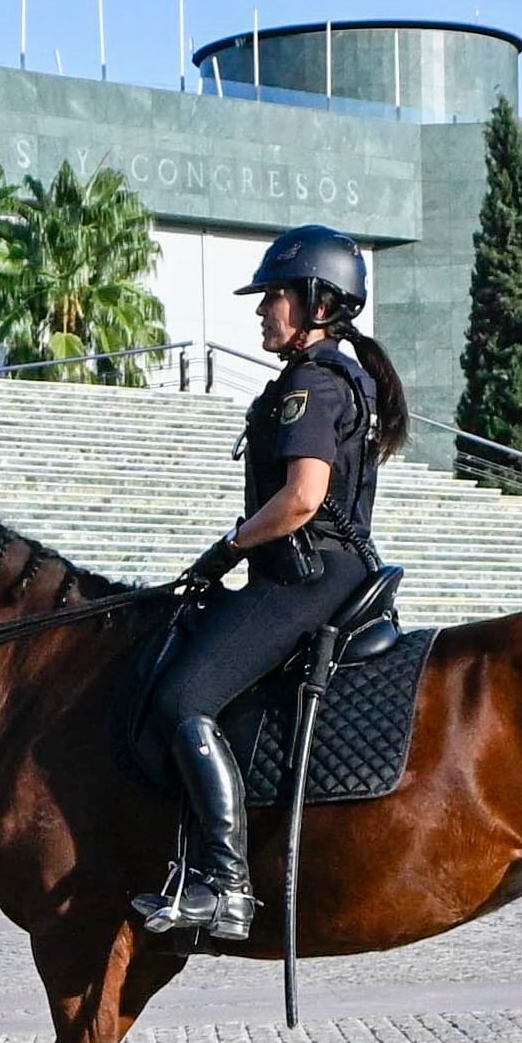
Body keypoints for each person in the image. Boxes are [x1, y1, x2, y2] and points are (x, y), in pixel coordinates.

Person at [131, 226, 407, 943]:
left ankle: (223, 881)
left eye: (274, 297)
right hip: (332, 568)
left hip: (307, 575)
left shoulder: (313, 383)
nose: (262, 311)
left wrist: (225, 549)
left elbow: (301, 498)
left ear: (317, 301)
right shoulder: (344, 375)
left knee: (182, 698)